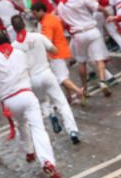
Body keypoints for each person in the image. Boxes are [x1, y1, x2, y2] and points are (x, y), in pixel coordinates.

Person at [0, 31, 63, 178]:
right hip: (27, 95)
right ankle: (47, 161)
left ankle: (29, 151)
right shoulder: (20, 53)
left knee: (21, 124)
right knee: (38, 129)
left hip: (9, 101)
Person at [8, 14, 82, 145]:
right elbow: (54, 50)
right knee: (61, 102)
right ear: (24, 24)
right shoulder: (37, 36)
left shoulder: (13, 47)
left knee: (42, 101)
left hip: (31, 78)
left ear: (13, 29)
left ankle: (50, 115)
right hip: (46, 72)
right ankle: (72, 130)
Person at [49, 0, 117, 97]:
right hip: (91, 30)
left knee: (82, 62)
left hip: (78, 35)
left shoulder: (60, 6)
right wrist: (105, 12)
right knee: (99, 59)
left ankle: (84, 88)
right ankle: (102, 81)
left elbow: (63, 22)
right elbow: (97, 6)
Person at [32, 0, 86, 105]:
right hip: (62, 50)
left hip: (56, 54)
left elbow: (47, 41)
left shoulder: (46, 23)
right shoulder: (51, 18)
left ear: (41, 11)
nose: (34, 16)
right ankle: (70, 97)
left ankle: (78, 91)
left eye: (35, 13)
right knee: (64, 75)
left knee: (62, 78)